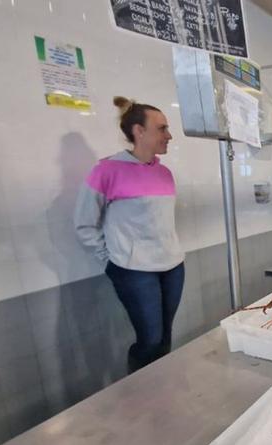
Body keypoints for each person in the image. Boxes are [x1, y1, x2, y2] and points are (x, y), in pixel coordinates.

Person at [74, 97, 185, 374]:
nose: (169, 136)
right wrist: (109, 262)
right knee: (150, 340)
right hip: (134, 271)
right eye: (162, 128)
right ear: (139, 131)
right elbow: (84, 223)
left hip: (172, 267)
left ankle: (162, 392)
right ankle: (140, 395)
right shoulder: (107, 170)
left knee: (165, 338)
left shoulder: (165, 173)